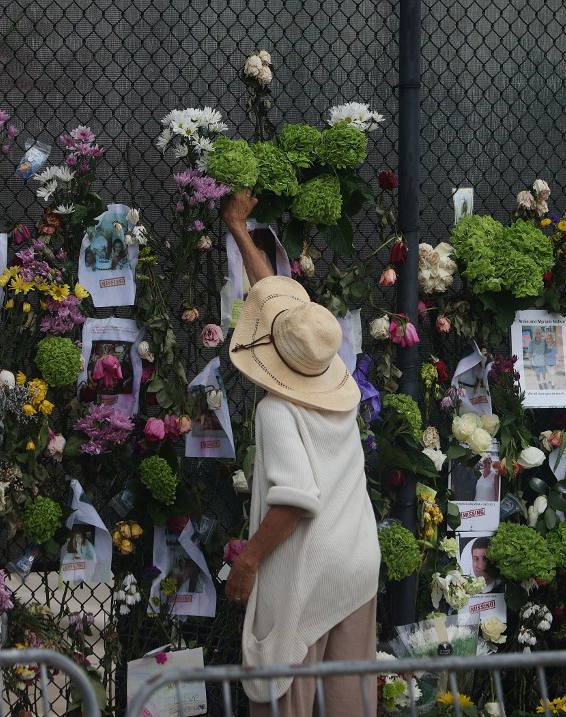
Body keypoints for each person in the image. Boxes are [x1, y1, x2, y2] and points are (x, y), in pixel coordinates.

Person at [221, 189, 380, 717]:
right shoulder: (337, 387)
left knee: (283, 689)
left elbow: (293, 502)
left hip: (308, 566)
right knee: (348, 697)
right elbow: (272, 295)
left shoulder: (276, 411)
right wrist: (239, 228)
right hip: (356, 557)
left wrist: (247, 563)